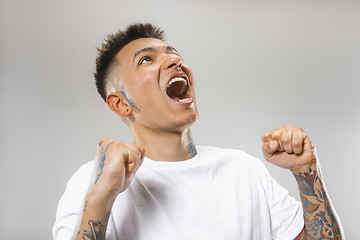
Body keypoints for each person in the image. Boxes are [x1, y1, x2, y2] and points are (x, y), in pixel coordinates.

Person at [53, 23, 343, 240]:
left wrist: (307, 172)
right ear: (120, 103)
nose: (175, 61)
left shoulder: (244, 170)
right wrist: (103, 193)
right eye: (146, 60)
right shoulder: (91, 182)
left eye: (174, 54)